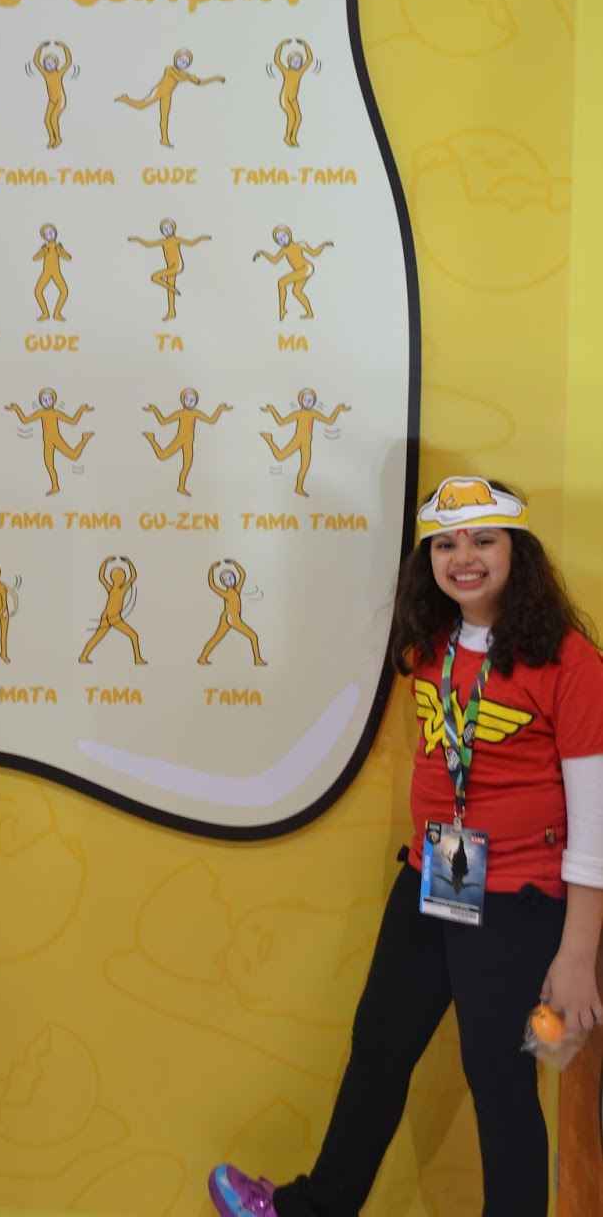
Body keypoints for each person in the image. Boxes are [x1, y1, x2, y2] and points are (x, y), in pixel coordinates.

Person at [208, 477, 603, 1217]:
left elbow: (596, 821)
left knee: (500, 1081)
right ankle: (314, 1209)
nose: (464, 557)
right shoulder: (430, 643)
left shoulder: (569, 661)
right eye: (445, 544)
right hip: (436, 874)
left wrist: (578, 955)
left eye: (483, 540)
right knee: (378, 1052)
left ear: (518, 550)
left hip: (517, 897)